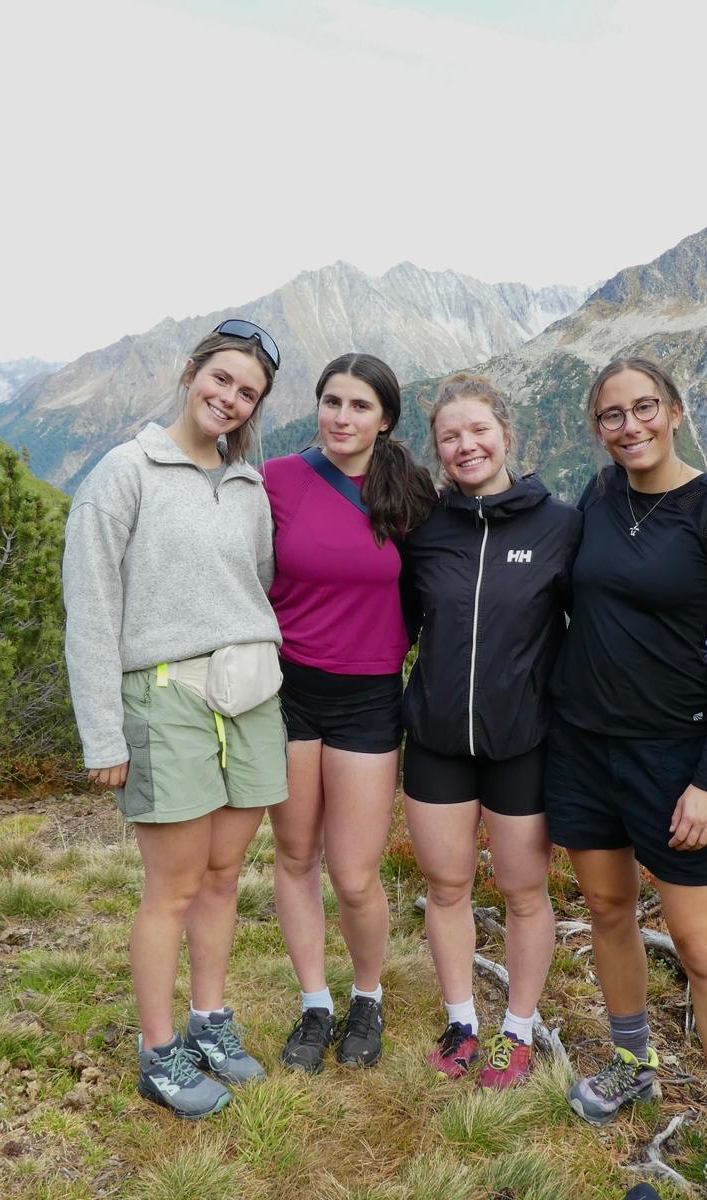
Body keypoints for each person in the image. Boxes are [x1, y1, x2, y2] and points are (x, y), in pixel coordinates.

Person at [546, 358, 707, 1199]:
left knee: (704, 948)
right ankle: (633, 1061)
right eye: (613, 415)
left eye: (645, 408)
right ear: (597, 427)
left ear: (675, 411)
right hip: (582, 746)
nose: (630, 425)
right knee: (608, 910)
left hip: (674, 756)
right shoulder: (601, 494)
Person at [62, 319, 287, 1120]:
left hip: (250, 697)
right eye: (221, 379)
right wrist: (103, 733)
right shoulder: (124, 472)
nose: (229, 398)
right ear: (191, 373)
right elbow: (91, 609)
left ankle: (209, 1022)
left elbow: (256, 586)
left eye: (247, 393)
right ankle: (159, 1053)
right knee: (174, 886)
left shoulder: (249, 488)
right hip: (166, 699)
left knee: (225, 876)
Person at [400, 373, 581, 1088]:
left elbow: (598, 624)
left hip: (523, 743)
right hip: (436, 740)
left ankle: (518, 1030)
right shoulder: (425, 530)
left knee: (523, 890)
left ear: (507, 434)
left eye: (478, 430)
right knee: (446, 886)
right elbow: (394, 621)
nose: (466, 445)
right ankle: (462, 1022)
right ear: (438, 449)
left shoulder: (559, 526)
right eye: (450, 436)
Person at [262, 352, 437, 1072]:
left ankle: (368, 996)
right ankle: (315, 1004)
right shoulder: (279, 480)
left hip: (369, 695)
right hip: (288, 692)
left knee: (356, 875)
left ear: (385, 418)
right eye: (332, 401)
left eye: (360, 405)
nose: (342, 417)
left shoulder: (410, 492)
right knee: (295, 856)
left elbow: (436, 584)